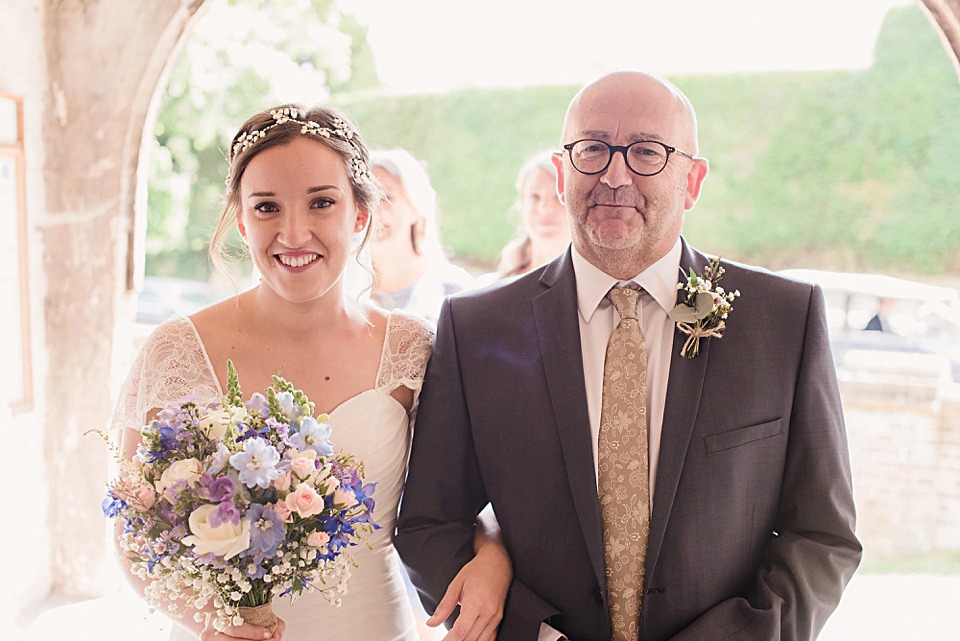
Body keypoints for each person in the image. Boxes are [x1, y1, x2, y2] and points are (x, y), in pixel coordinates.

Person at [395, 71, 861, 641]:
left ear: (692, 181)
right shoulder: (475, 329)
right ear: (563, 173)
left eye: (646, 152)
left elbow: (822, 535)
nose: (615, 175)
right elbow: (429, 524)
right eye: (592, 149)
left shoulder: (784, 321)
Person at [113, 105, 511, 641]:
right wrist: (211, 625)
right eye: (267, 207)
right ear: (241, 222)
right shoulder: (176, 351)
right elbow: (134, 533)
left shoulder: (411, 349)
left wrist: (493, 553)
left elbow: (469, 499)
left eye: (321, 203)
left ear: (360, 217)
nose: (293, 233)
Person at [368, 149, 474, 323]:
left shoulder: (453, 288)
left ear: (415, 206)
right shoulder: (343, 291)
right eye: (366, 199)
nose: (373, 211)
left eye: (386, 198)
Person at [495, 151, 572, 279]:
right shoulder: (494, 283)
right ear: (521, 203)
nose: (545, 208)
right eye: (534, 196)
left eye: (558, 197)